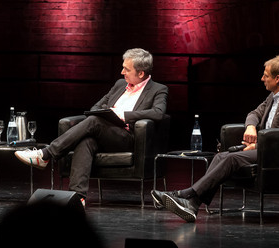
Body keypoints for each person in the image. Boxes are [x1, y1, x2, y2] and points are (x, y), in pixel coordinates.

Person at [151, 55, 279, 222]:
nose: (262, 78)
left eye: (266, 75)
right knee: (220, 156)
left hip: (278, 155)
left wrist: (257, 146)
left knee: (232, 159)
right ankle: (193, 204)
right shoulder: (274, 96)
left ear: (277, 78)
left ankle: (185, 194)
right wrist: (250, 127)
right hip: (265, 148)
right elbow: (254, 113)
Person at [14, 48, 168, 206]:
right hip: (102, 131)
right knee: (86, 140)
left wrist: (123, 115)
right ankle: (78, 197)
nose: (122, 72)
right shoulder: (120, 84)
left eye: (126, 69)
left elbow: (158, 113)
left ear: (141, 73)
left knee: (94, 121)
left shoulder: (158, 89)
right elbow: (95, 107)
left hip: (127, 137)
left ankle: (46, 154)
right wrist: (107, 114)